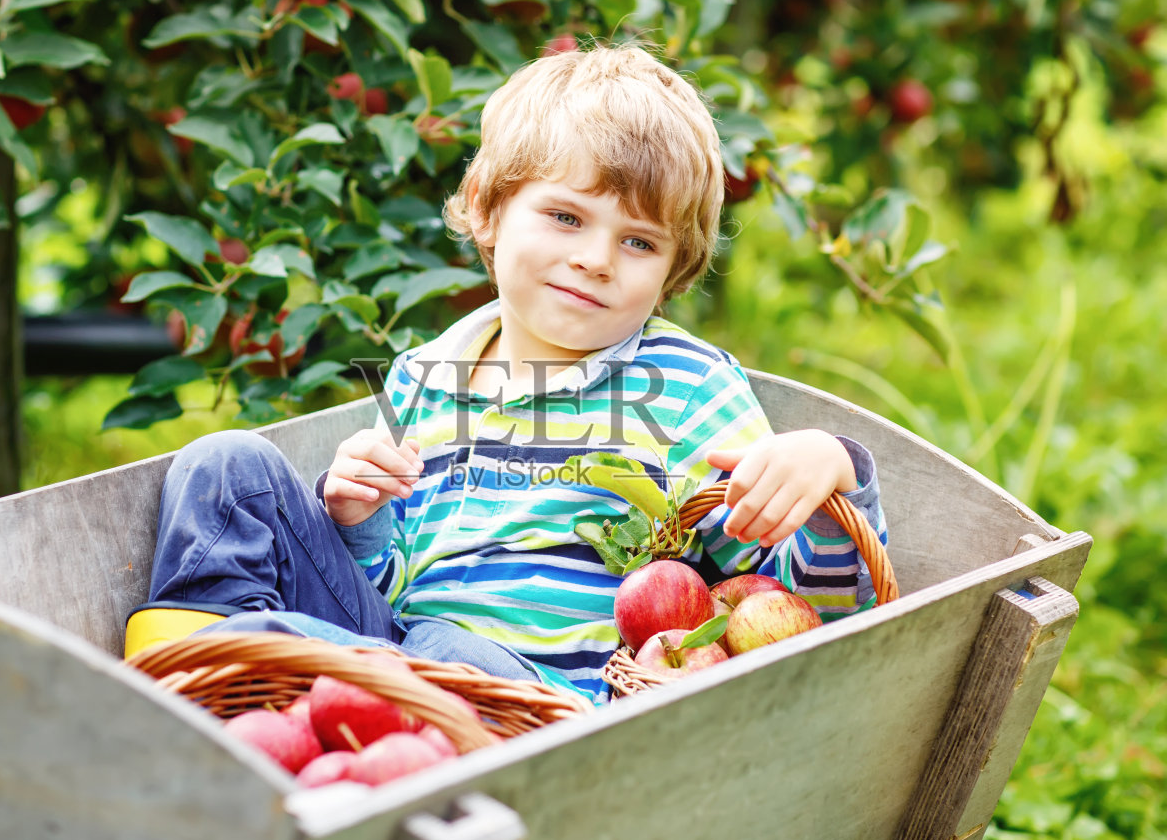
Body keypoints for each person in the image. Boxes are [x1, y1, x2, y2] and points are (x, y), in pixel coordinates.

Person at [126, 44, 886, 704]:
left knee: (443, 652)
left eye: (639, 243)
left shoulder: (686, 388)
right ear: (489, 211)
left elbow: (783, 617)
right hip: (404, 653)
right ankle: (190, 699)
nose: (595, 257)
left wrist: (827, 478)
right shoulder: (425, 375)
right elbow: (398, 587)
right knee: (226, 468)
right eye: (566, 217)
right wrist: (359, 525)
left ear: (673, 270)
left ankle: (238, 666)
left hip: (543, 702)